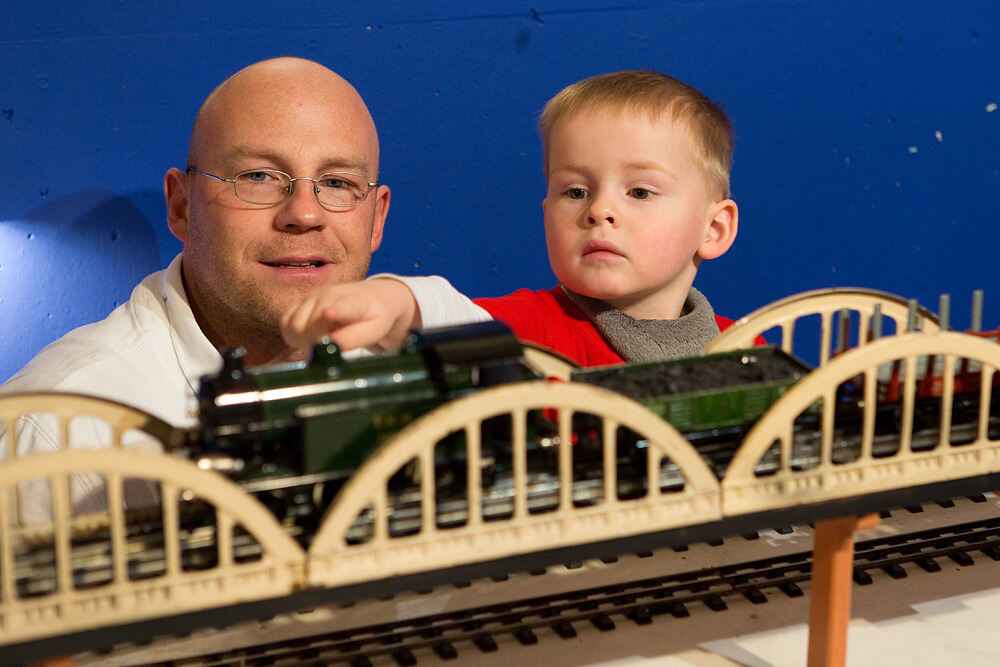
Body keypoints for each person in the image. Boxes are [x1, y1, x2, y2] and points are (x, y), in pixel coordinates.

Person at [0, 57, 487, 521]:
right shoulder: (59, 432)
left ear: (376, 219)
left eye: (337, 183)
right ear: (181, 207)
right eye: (258, 177)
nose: (304, 213)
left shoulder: (417, 348)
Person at [282, 70, 750, 366]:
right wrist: (395, 303)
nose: (599, 210)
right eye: (576, 191)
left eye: (640, 191)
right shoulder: (533, 330)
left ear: (713, 230)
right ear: (547, 215)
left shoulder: (747, 348)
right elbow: (452, 320)